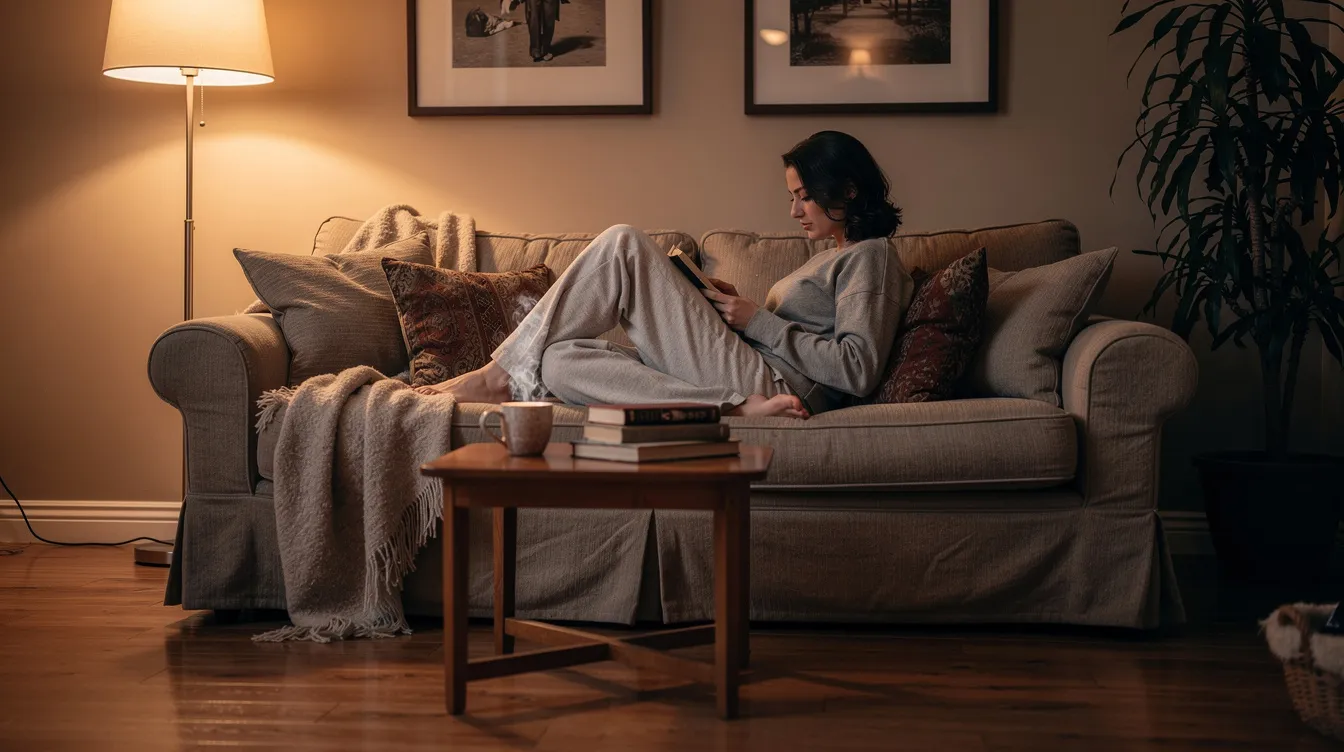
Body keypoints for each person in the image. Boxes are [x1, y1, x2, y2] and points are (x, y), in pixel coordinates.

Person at [417, 131, 914, 419]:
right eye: (792, 197)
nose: (794, 211)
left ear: (847, 191)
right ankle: (730, 408)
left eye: (804, 195)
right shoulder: (833, 253)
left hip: (782, 384)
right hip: (751, 366)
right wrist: (730, 304)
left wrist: (758, 320)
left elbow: (858, 369)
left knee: (622, 244)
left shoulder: (870, 258)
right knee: (559, 359)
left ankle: (497, 377)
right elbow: (797, 329)